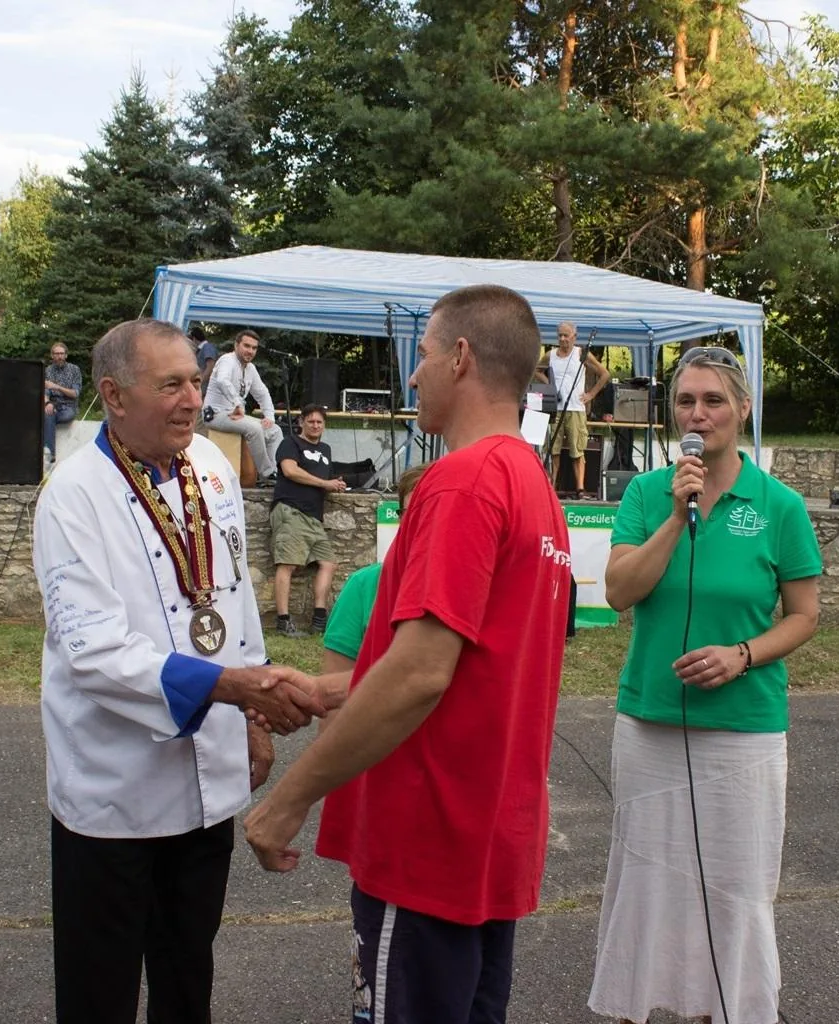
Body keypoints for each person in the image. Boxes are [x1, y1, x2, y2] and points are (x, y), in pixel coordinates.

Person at [244, 285, 571, 1024]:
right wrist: (328, 693)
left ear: (460, 358)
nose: (414, 375)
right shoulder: (531, 484)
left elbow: (423, 674)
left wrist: (288, 801)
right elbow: (471, 665)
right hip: (485, 836)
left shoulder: (462, 481)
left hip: (428, 839)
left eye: (421, 356)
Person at [32, 317, 327, 1024]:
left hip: (203, 788)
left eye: (194, 381)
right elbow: (94, 651)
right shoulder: (74, 493)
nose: (192, 399)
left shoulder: (213, 467)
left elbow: (235, 604)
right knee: (99, 990)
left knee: (187, 972)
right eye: (170, 385)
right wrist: (231, 690)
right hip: (114, 790)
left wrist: (252, 719)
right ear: (114, 394)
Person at [587, 345, 822, 1024]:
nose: (699, 413)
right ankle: (636, 1006)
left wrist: (743, 654)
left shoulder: (779, 506)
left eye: (714, 400)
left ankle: (720, 1011)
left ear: (743, 410)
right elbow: (620, 593)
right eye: (686, 400)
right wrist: (672, 515)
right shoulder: (644, 491)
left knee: (734, 889)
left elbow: (804, 616)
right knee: (648, 884)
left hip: (744, 732)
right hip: (651, 725)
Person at [319, 464, 428, 684]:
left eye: (432, 510)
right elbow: (332, 692)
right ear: (400, 519)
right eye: (412, 512)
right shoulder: (364, 585)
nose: (423, 521)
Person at [271, 404, 348, 638]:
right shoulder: (290, 443)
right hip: (291, 510)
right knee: (287, 564)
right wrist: (326, 484)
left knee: (328, 563)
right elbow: (290, 471)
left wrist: (336, 482)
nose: (315, 425)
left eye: (320, 422)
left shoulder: (325, 449)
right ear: (301, 422)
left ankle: (319, 619)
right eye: (311, 421)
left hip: (314, 517)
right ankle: (284, 621)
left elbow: (322, 476)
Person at [535, 322, 610, 497]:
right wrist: (550, 386)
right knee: (554, 449)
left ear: (574, 337)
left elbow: (604, 374)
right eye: (560, 335)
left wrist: (591, 394)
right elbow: (537, 370)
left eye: (566, 335)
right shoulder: (550, 355)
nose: (562, 339)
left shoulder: (581, 354)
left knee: (577, 449)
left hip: (576, 408)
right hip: (557, 408)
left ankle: (580, 489)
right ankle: (551, 486)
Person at [203, 329, 284, 482]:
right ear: (236, 345)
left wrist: (269, 416)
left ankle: (277, 473)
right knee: (254, 429)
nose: (250, 351)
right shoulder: (227, 360)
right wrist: (238, 403)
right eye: (247, 346)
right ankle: (267, 474)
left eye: (254, 348)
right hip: (215, 414)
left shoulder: (251, 368)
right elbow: (222, 381)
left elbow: (262, 393)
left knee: (274, 430)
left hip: (235, 416)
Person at [43, 342, 82, 463]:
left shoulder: (75, 370)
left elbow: (75, 393)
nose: (59, 356)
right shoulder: (47, 371)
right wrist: (47, 403)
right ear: (52, 356)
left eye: (61, 353)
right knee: (48, 414)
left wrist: (57, 387)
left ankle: (47, 452)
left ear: (66, 355)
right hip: (53, 405)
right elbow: (44, 392)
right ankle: (50, 455)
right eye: (56, 354)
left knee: (48, 418)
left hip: (68, 407)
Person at [190, 324, 219, 393]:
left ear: (194, 338)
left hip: (206, 388)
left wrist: (200, 381)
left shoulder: (207, 347)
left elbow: (210, 366)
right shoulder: (201, 349)